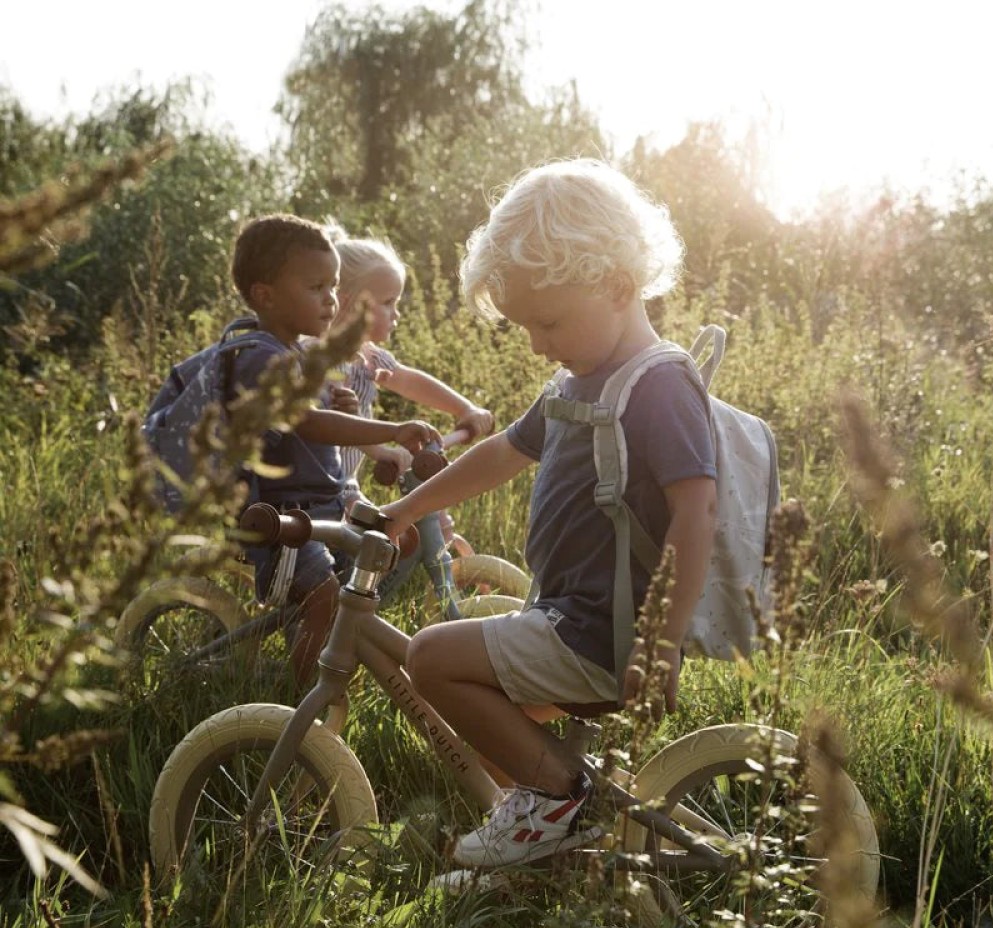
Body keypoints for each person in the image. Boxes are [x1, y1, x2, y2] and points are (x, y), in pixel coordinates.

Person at [380, 159, 718, 869]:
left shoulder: (658, 386)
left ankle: (560, 800)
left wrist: (663, 645)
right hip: (569, 615)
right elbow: (505, 450)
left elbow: (697, 516)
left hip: (606, 633)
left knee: (431, 657)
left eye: (549, 321)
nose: (536, 342)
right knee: (493, 731)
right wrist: (407, 508)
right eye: (525, 325)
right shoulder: (577, 381)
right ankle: (541, 853)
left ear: (618, 286)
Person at [227, 213, 441, 686]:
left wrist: (344, 408)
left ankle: (318, 647)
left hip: (313, 500)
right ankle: (304, 694)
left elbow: (317, 423)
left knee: (368, 562)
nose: (330, 301)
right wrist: (388, 431)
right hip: (275, 508)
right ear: (266, 296)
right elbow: (308, 424)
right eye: (317, 290)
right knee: (326, 598)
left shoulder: (307, 359)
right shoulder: (266, 356)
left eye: (332, 289)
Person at [326, 224, 494, 505]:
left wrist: (465, 408)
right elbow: (339, 425)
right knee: (374, 539)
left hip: (347, 485)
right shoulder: (326, 363)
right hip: (321, 487)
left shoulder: (369, 357)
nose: (397, 313)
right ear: (349, 305)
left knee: (392, 536)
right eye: (388, 302)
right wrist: (381, 452)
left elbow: (408, 380)